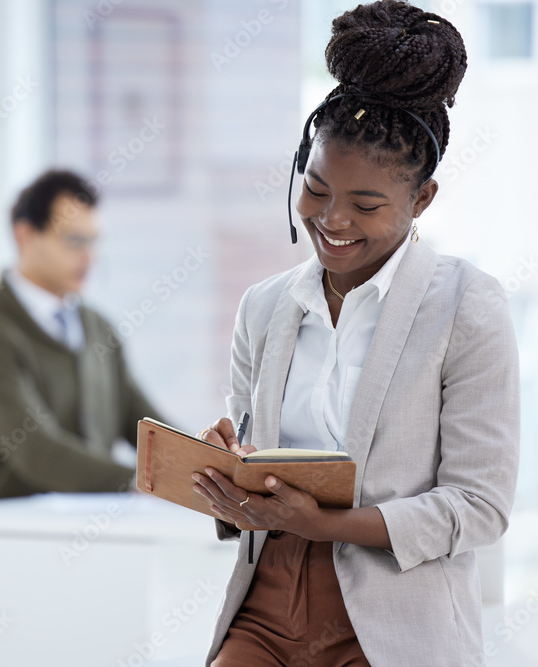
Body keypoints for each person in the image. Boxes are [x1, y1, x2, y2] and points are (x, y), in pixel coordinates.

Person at [190, 2, 519, 665]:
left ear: (421, 199)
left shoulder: (469, 307)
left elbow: (479, 504)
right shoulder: (264, 306)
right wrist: (231, 481)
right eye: (315, 189)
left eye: (367, 204)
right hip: (267, 609)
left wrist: (330, 525)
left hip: (395, 622)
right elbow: (257, 467)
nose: (332, 220)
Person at [0, 169, 162, 503]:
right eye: (75, 241)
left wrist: (207, 465)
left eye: (93, 240)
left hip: (84, 518)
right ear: (25, 236)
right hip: (0, 527)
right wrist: (138, 483)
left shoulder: (98, 327)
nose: (90, 256)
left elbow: (142, 422)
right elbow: (37, 451)